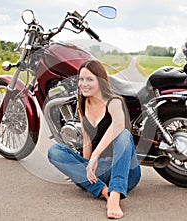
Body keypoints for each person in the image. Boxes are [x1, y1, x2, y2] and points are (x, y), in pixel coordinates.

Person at [48, 60, 141, 219]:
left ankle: (115, 195)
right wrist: (83, 167)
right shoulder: (82, 103)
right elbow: (87, 140)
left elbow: (118, 126)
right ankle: (105, 191)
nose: (84, 84)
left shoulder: (114, 102)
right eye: (81, 79)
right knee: (54, 151)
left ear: (101, 80)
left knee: (124, 135)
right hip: (98, 173)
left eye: (90, 79)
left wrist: (95, 157)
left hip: (124, 172)